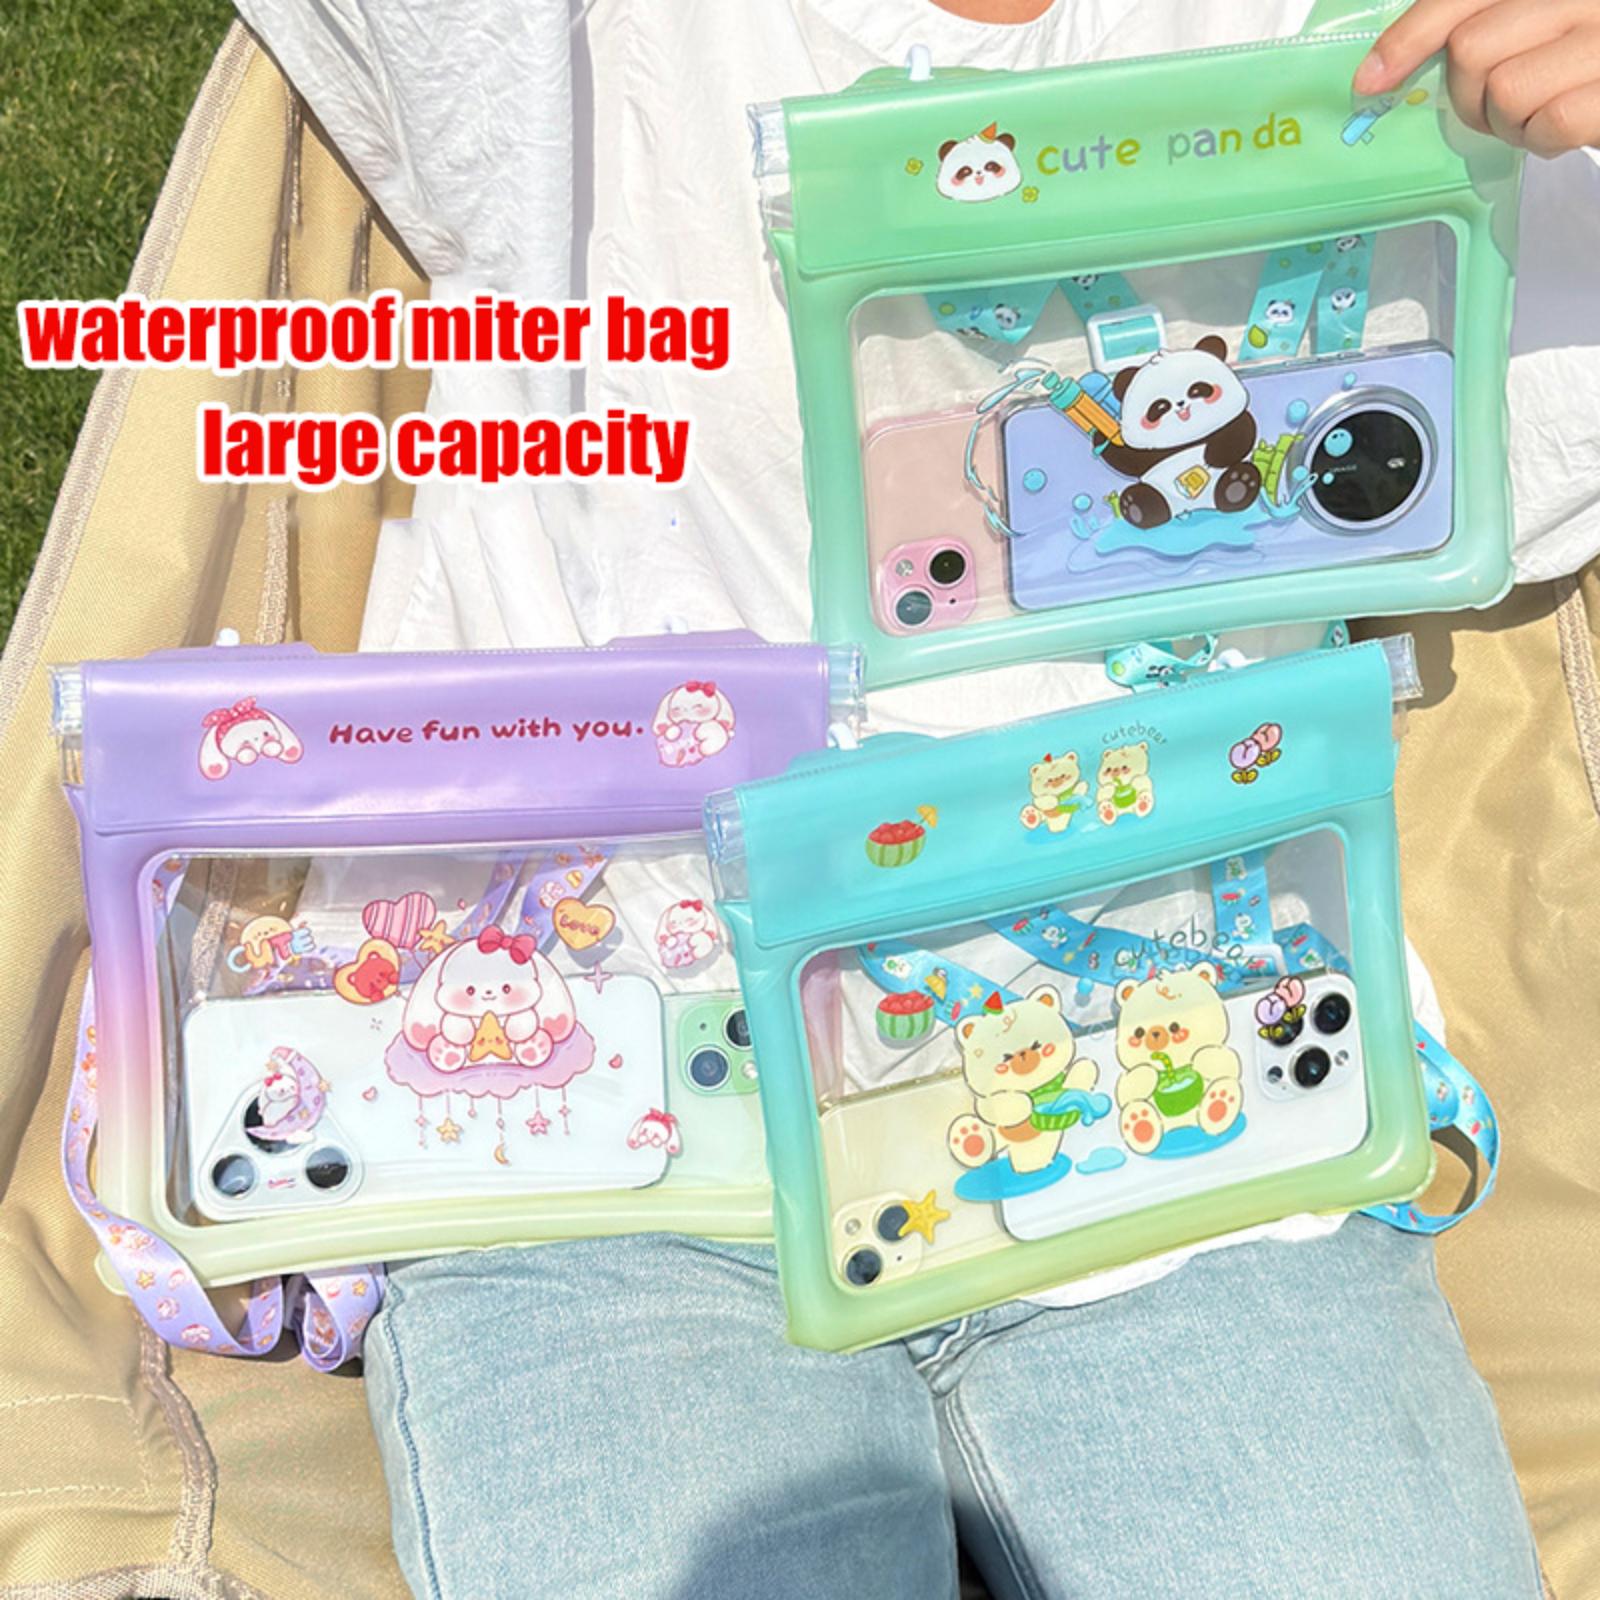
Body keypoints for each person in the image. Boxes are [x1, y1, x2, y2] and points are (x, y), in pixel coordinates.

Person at [353, 1, 1599, 1594]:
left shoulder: (1371, 39)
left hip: (1198, 1119)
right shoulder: (551, 50)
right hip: (621, 1129)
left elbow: (1496, 445)